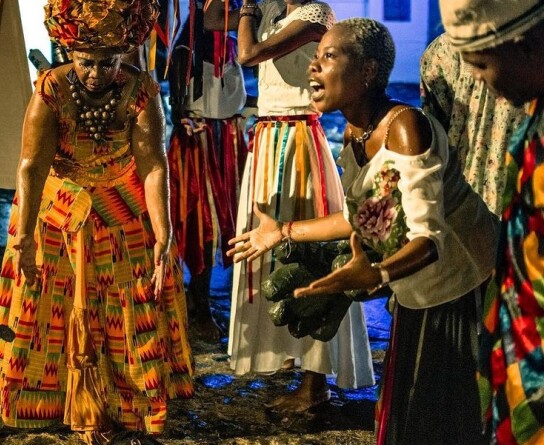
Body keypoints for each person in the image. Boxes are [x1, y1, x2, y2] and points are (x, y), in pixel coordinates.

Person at [229, 17, 497, 444]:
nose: (314, 67)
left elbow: (428, 241)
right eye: (315, 58)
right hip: (420, 292)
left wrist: (376, 276)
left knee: (439, 422)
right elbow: (363, 216)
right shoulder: (356, 133)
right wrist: (282, 231)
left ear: (368, 71)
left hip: (460, 290)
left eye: (329, 57)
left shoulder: (405, 128)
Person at [0, 0, 194, 444]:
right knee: (36, 308)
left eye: (107, 62)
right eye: (86, 62)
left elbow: (152, 164)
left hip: (118, 212)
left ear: (123, 55)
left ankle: (123, 401)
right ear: (68, 51)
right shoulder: (51, 89)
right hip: (56, 213)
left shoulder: (141, 90)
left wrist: (163, 232)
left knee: (127, 306)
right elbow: (32, 166)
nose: (95, 73)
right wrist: (26, 237)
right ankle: (9, 394)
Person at [205, 0, 374, 412]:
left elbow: (248, 55)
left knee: (307, 256)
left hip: (298, 142)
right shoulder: (270, 11)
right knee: (269, 258)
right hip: (268, 139)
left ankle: (316, 381)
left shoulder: (315, 15)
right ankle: (289, 355)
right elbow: (210, 18)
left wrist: (247, 8)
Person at [438, 1, 544, 443]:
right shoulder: (532, 113)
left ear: (523, 45)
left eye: (481, 64)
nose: (477, 79)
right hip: (520, 339)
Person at [167, 1, 248, 341]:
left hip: (224, 140)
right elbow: (178, 104)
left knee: (224, 222)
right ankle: (197, 307)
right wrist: (185, 119)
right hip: (198, 145)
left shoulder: (230, 42)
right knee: (197, 223)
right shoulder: (187, 45)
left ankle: (203, 304)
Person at [420, 33, 526, 216]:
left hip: (461, 202)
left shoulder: (441, 51)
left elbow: (434, 137)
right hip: (518, 201)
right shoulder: (531, 46)